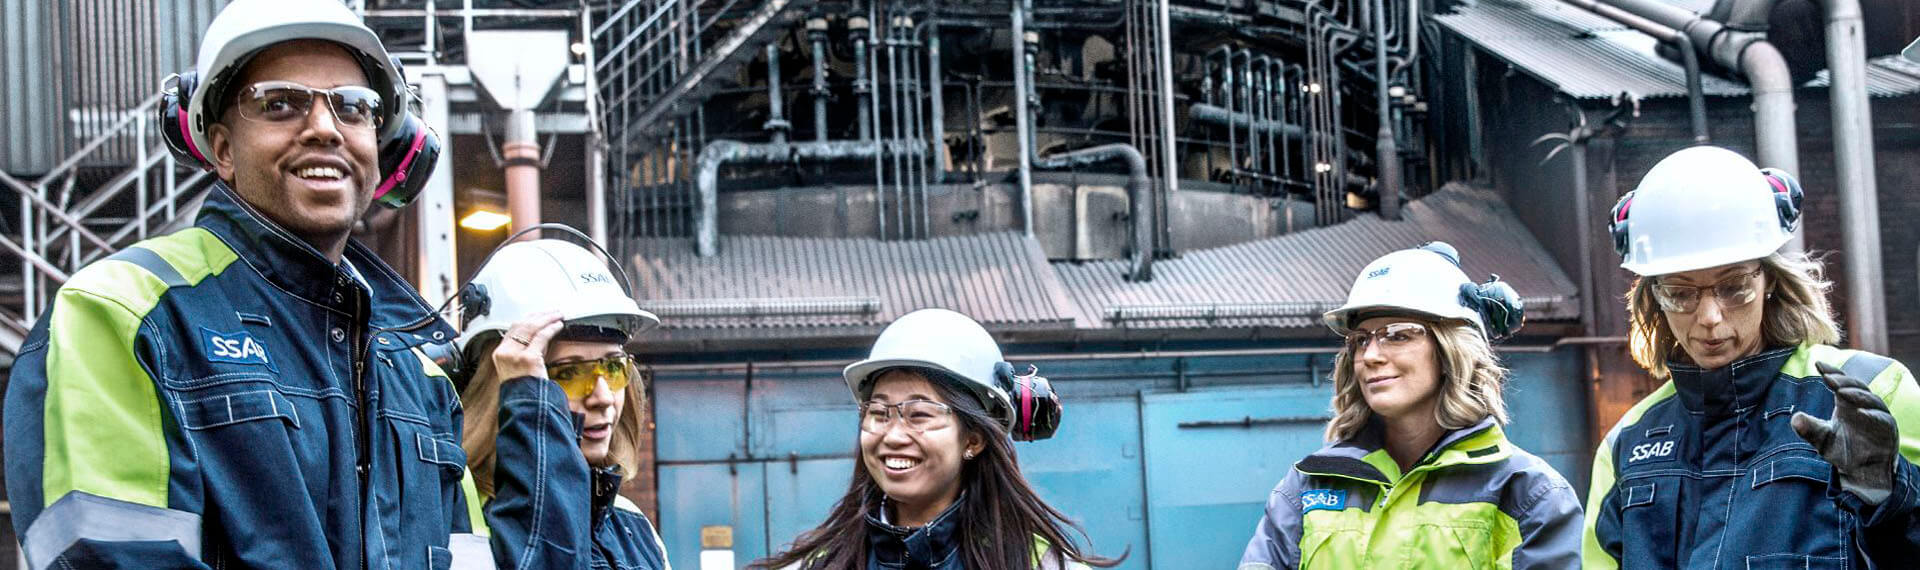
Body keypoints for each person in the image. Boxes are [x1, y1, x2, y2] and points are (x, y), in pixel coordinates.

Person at [3, 0, 484, 567]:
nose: (325, 128)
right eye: (280, 103)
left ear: (382, 148)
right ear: (223, 149)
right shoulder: (123, 314)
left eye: (354, 107)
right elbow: (110, 554)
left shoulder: (421, 376)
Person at [1581, 146, 1920, 568]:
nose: (1709, 317)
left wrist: (1892, 497)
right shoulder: (1626, 444)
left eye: (1734, 286)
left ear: (1769, 280)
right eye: (1680, 293)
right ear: (1653, 299)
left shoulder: (1874, 392)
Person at [1239, 242, 1584, 569]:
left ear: (1451, 351)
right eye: (1361, 339)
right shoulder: (1308, 486)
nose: (1370, 356)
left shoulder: (1528, 494)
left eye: (1398, 335)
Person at [751, 308, 1123, 570]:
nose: (893, 435)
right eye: (878, 413)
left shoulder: (1038, 564)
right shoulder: (820, 565)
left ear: (973, 439)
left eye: (919, 415)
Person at [452, 237, 671, 569]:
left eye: (613, 367)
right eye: (568, 373)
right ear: (501, 386)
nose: (603, 397)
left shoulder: (633, 525)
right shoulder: (453, 518)